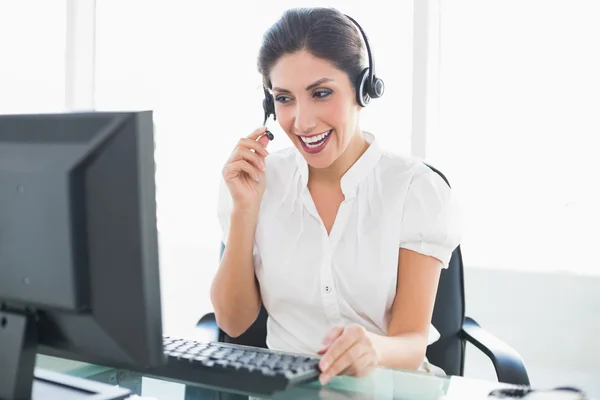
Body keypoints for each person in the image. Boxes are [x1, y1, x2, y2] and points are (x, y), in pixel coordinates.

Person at [210, 6, 461, 385]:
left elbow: (411, 344)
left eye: (321, 93)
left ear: (364, 90)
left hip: (390, 386)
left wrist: (372, 348)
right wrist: (244, 211)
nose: (302, 120)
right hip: (288, 392)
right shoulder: (256, 182)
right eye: (284, 98)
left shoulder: (414, 189)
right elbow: (232, 322)